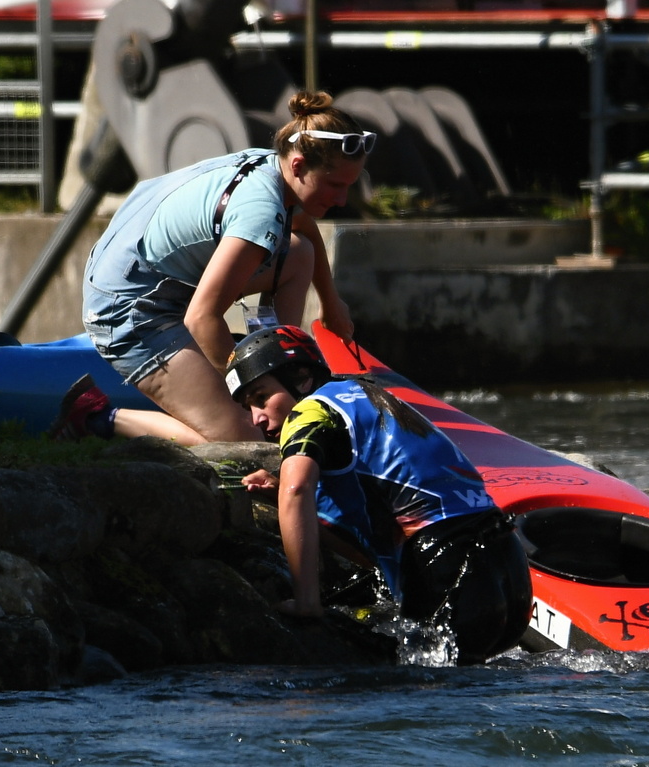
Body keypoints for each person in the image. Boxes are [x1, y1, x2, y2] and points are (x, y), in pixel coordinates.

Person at [49, 90, 373, 445]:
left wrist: (330, 304)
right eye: (335, 185)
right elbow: (202, 318)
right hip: (128, 308)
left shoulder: (273, 167)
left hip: (152, 275)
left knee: (298, 254)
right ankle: (98, 417)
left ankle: (281, 369)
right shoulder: (260, 210)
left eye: (349, 186)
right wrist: (250, 390)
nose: (342, 199)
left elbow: (305, 229)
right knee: (250, 442)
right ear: (298, 166)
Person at [225, 324, 533, 664]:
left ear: (301, 377)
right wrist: (278, 493)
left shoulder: (308, 410)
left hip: (448, 569)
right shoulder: (370, 397)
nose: (256, 418)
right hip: (509, 563)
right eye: (248, 407)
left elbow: (296, 489)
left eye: (261, 398)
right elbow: (377, 550)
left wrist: (307, 601)